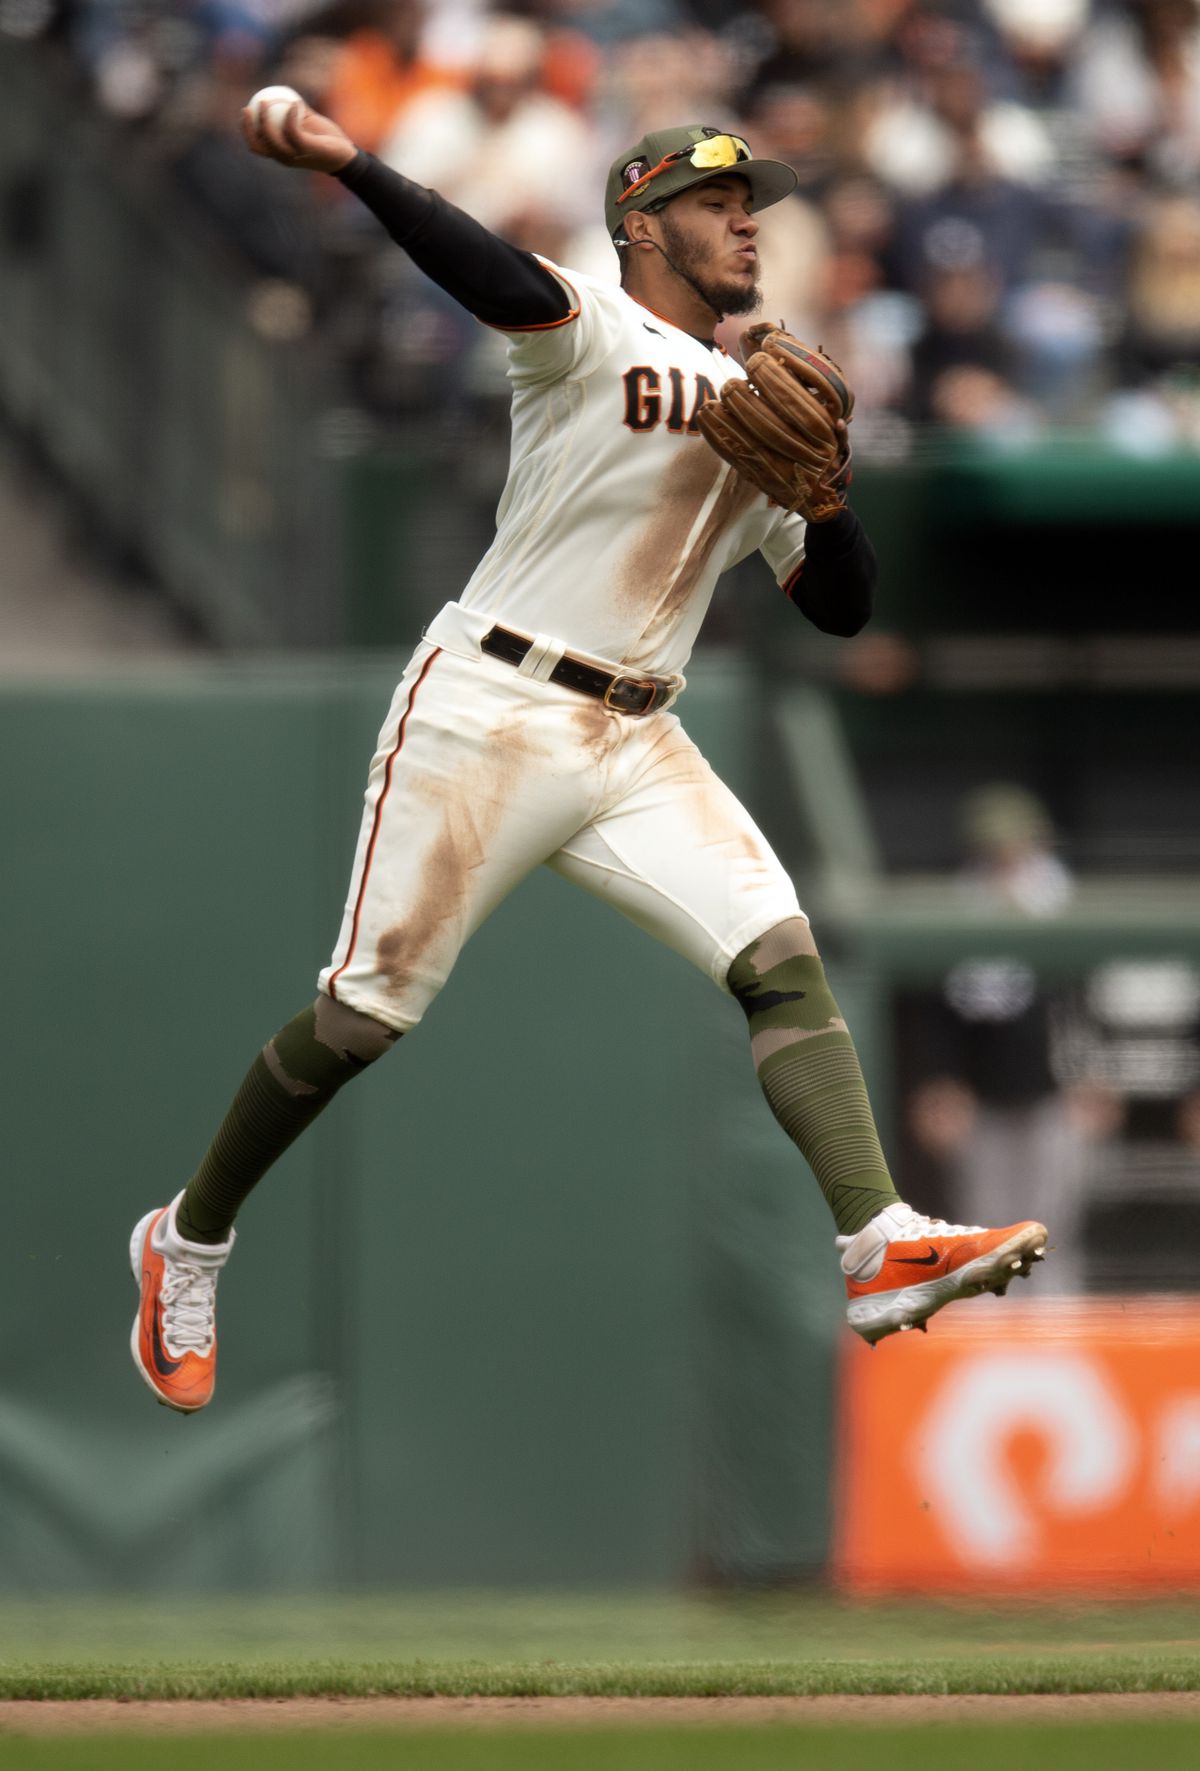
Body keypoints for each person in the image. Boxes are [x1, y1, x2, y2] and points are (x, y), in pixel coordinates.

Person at [129, 105, 1048, 1412]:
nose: (748, 222)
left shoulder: (762, 408)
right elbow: (482, 269)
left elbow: (840, 607)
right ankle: (189, 1238)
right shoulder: (588, 332)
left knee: (780, 956)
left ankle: (878, 1241)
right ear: (642, 222)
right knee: (361, 1019)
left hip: (638, 732)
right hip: (490, 704)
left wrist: (830, 501)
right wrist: (351, 164)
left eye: (755, 204)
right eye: (718, 200)